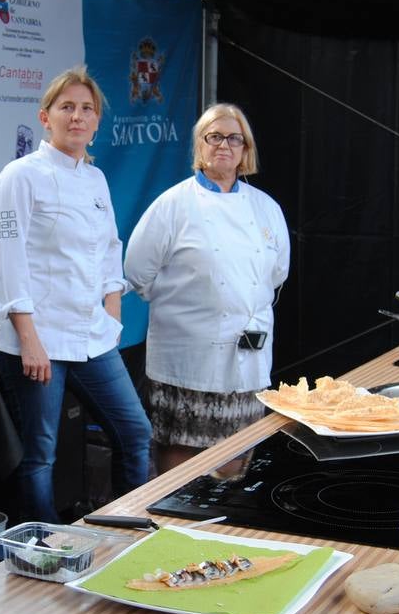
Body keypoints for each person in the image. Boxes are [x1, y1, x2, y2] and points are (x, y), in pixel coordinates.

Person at [0, 65, 151, 523]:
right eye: (67, 107)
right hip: (34, 338)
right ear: (45, 116)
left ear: (96, 123)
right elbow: (6, 258)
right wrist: (29, 339)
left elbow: (109, 249)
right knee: (40, 455)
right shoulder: (19, 177)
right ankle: (40, 548)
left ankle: (127, 528)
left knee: (135, 432)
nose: (77, 117)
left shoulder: (94, 179)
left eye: (87, 109)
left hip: (90, 334)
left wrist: (112, 312)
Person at [124, 103, 289, 475]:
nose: (224, 145)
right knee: (180, 452)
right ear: (199, 146)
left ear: (246, 150)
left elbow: (276, 273)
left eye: (234, 138)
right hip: (187, 355)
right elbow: (137, 272)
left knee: (238, 451)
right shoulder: (172, 205)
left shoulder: (266, 209)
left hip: (247, 357)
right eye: (214, 137)